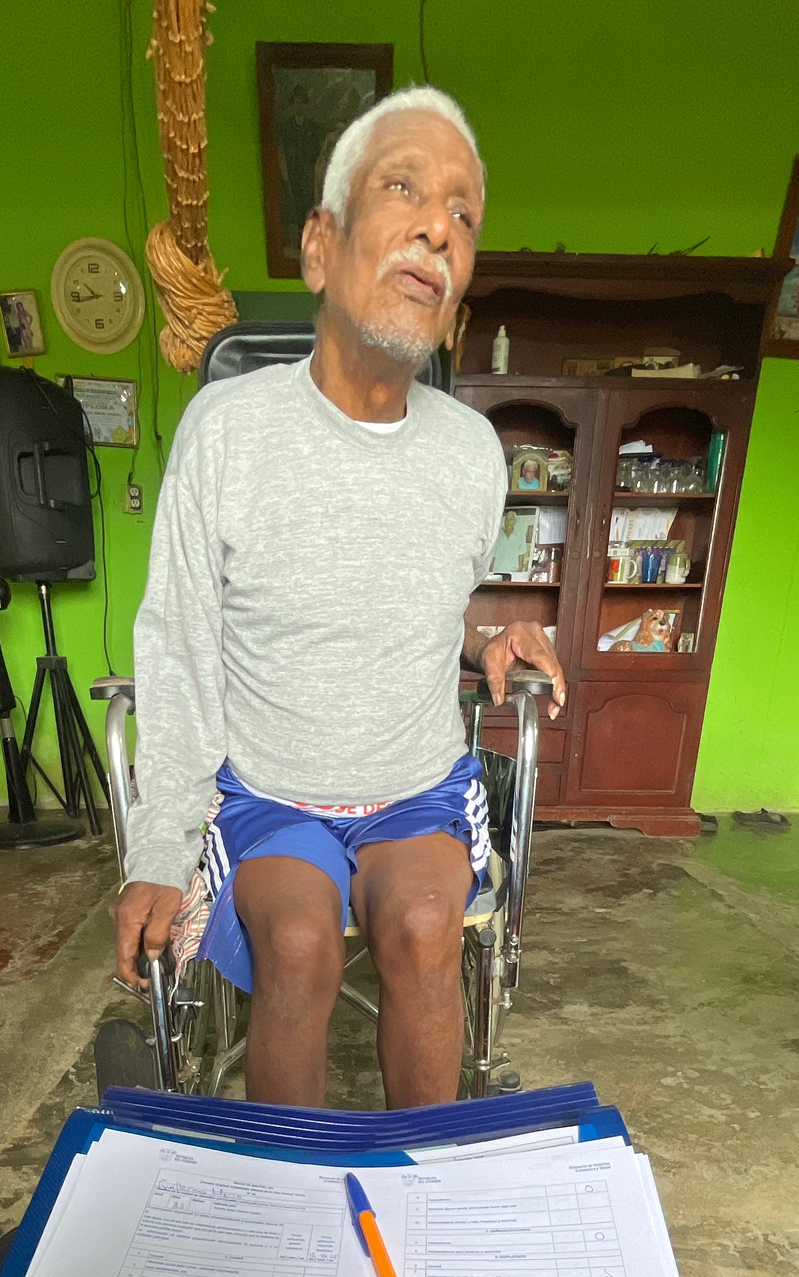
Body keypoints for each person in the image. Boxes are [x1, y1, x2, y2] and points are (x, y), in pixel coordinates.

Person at [113, 85, 566, 1109]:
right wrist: (158, 848)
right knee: (300, 943)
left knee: (425, 928)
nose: (437, 227)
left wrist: (486, 638)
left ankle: (423, 1176)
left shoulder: (471, 454)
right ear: (321, 247)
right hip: (272, 787)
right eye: (403, 187)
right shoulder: (227, 432)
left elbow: (418, 602)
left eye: (463, 214)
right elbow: (177, 645)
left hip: (415, 784)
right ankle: (293, 1198)